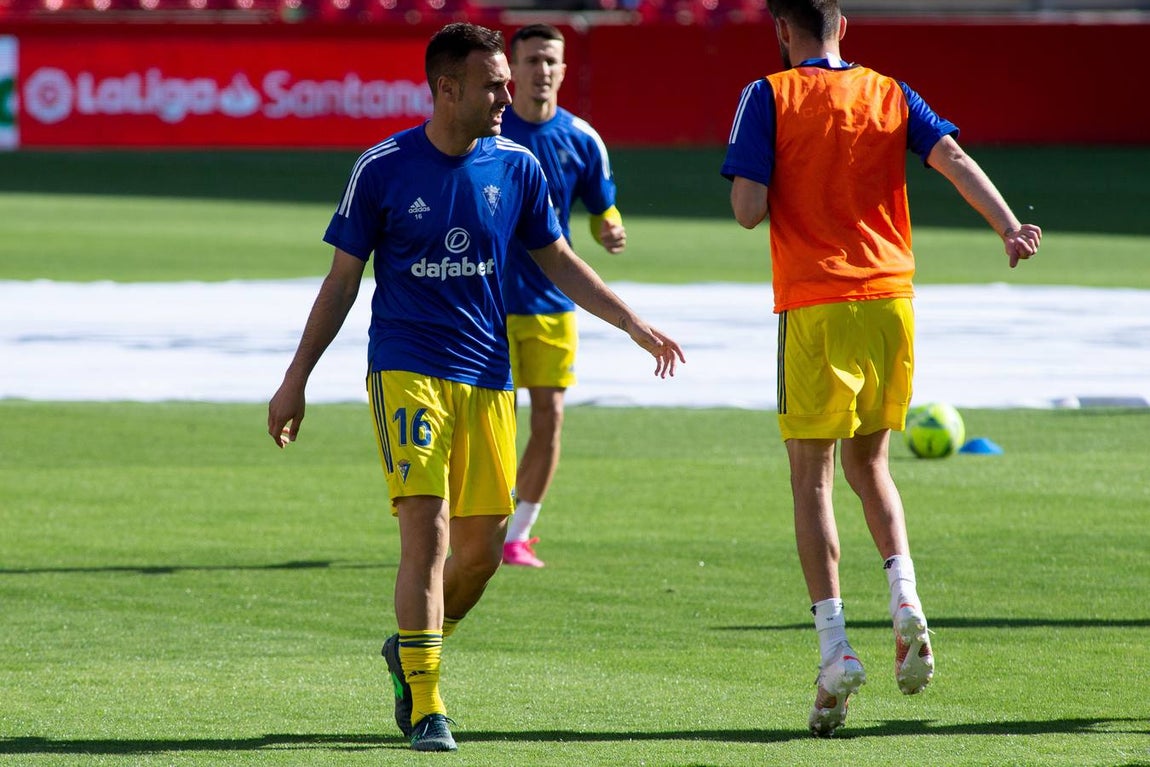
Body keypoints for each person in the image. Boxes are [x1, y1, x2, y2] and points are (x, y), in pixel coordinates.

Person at [267, 22, 684, 753]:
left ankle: (412, 647)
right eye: (493, 83)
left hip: (489, 377)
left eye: (507, 81)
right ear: (447, 89)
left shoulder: (518, 166)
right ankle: (428, 703)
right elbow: (341, 283)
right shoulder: (383, 168)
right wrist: (295, 378)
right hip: (405, 369)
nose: (507, 94)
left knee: (481, 555)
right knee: (423, 533)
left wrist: (632, 322)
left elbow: (556, 257)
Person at [721, 0, 1041, 738]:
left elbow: (746, 208)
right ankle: (906, 598)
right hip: (891, 299)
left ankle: (835, 649)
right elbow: (953, 157)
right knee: (874, 467)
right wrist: (1007, 225)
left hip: (817, 302)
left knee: (813, 478)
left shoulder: (766, 94)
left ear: (780, 28)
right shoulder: (890, 90)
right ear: (844, 25)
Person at [498, 23, 627, 568]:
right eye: (531, 61)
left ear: (564, 69)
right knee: (491, 423)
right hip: (489, 304)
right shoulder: (490, 134)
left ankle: (517, 534)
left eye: (551, 61)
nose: (542, 71)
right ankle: (477, 520)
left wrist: (610, 229)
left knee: (549, 419)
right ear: (513, 69)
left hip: (552, 302)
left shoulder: (581, 138)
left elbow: (603, 206)